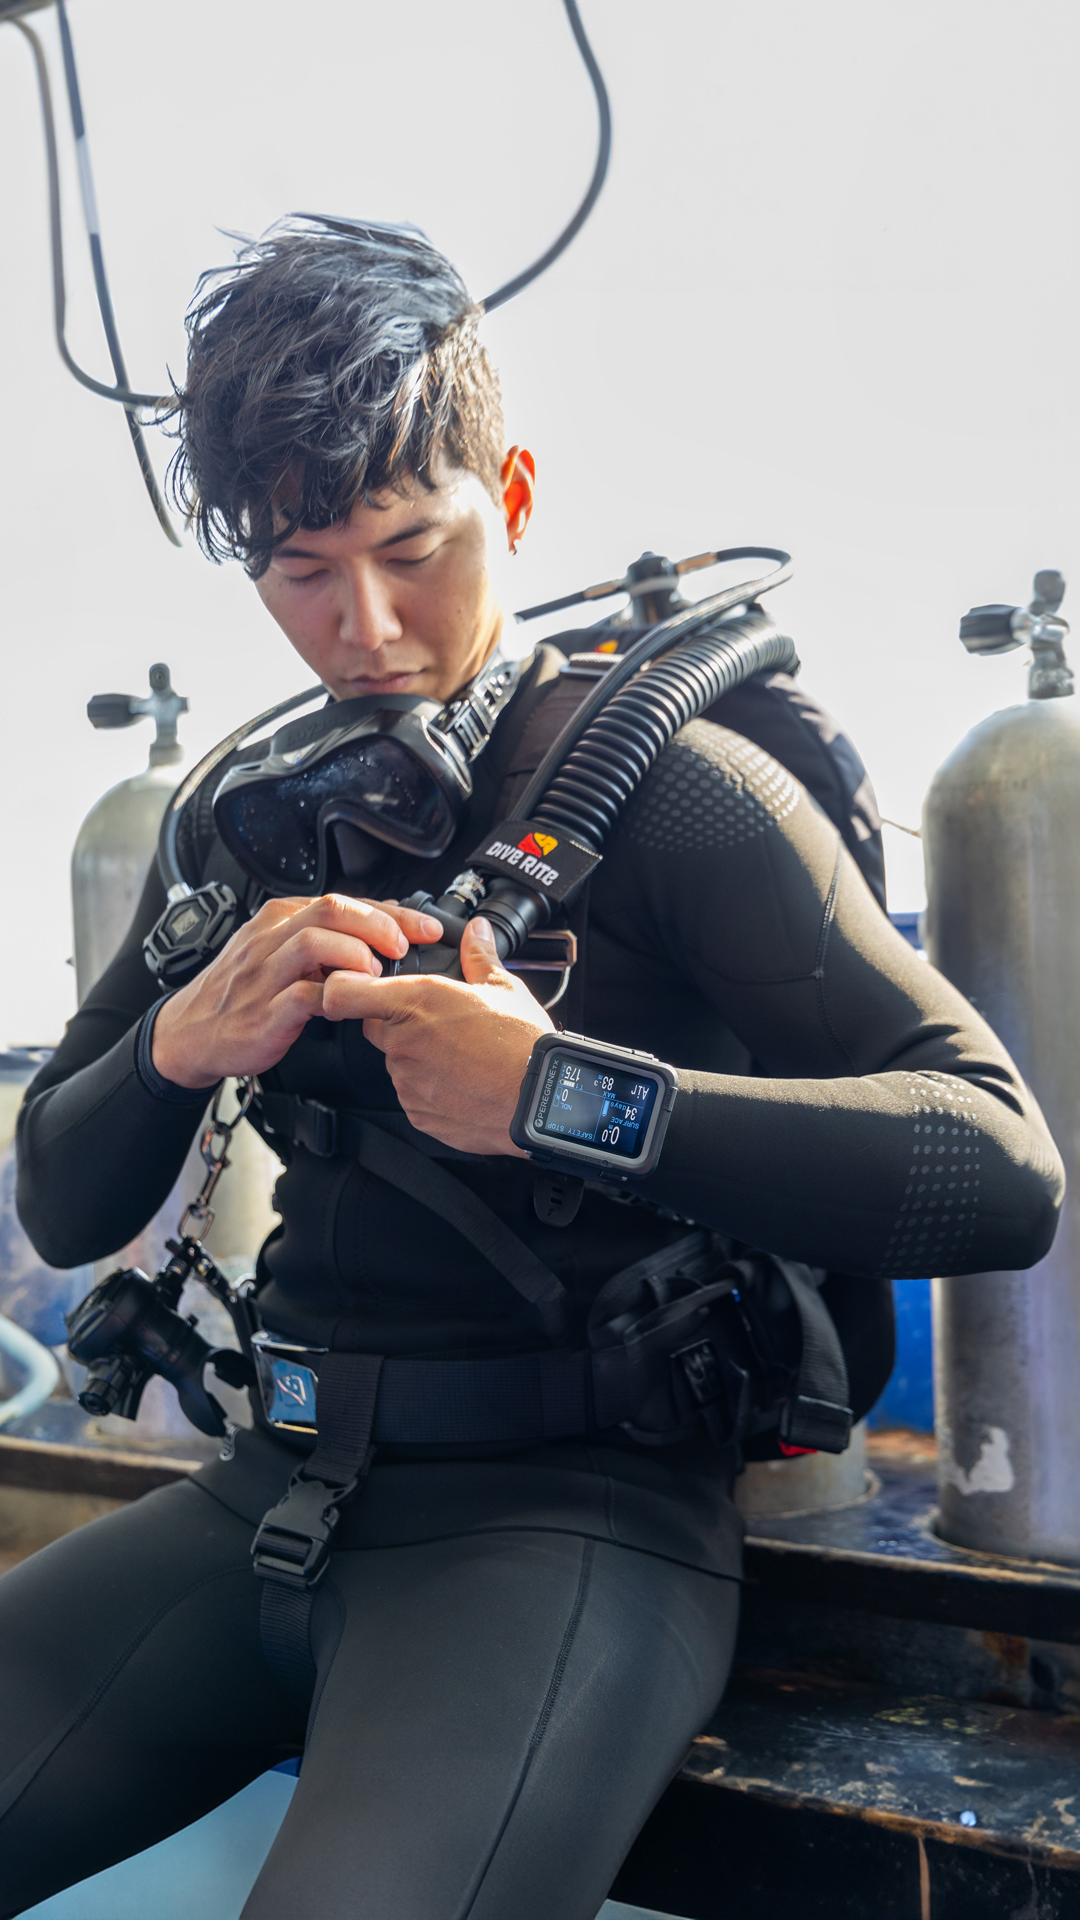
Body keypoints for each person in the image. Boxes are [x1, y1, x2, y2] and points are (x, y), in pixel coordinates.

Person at [1, 218, 1063, 1920]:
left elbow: (1002, 1166)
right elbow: (61, 1200)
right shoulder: (247, 828)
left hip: (567, 1531)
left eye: (412, 548)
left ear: (512, 491)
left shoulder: (680, 798)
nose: (367, 628)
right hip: (266, 1491)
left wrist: (565, 1099)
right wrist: (179, 1045)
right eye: (302, 573)